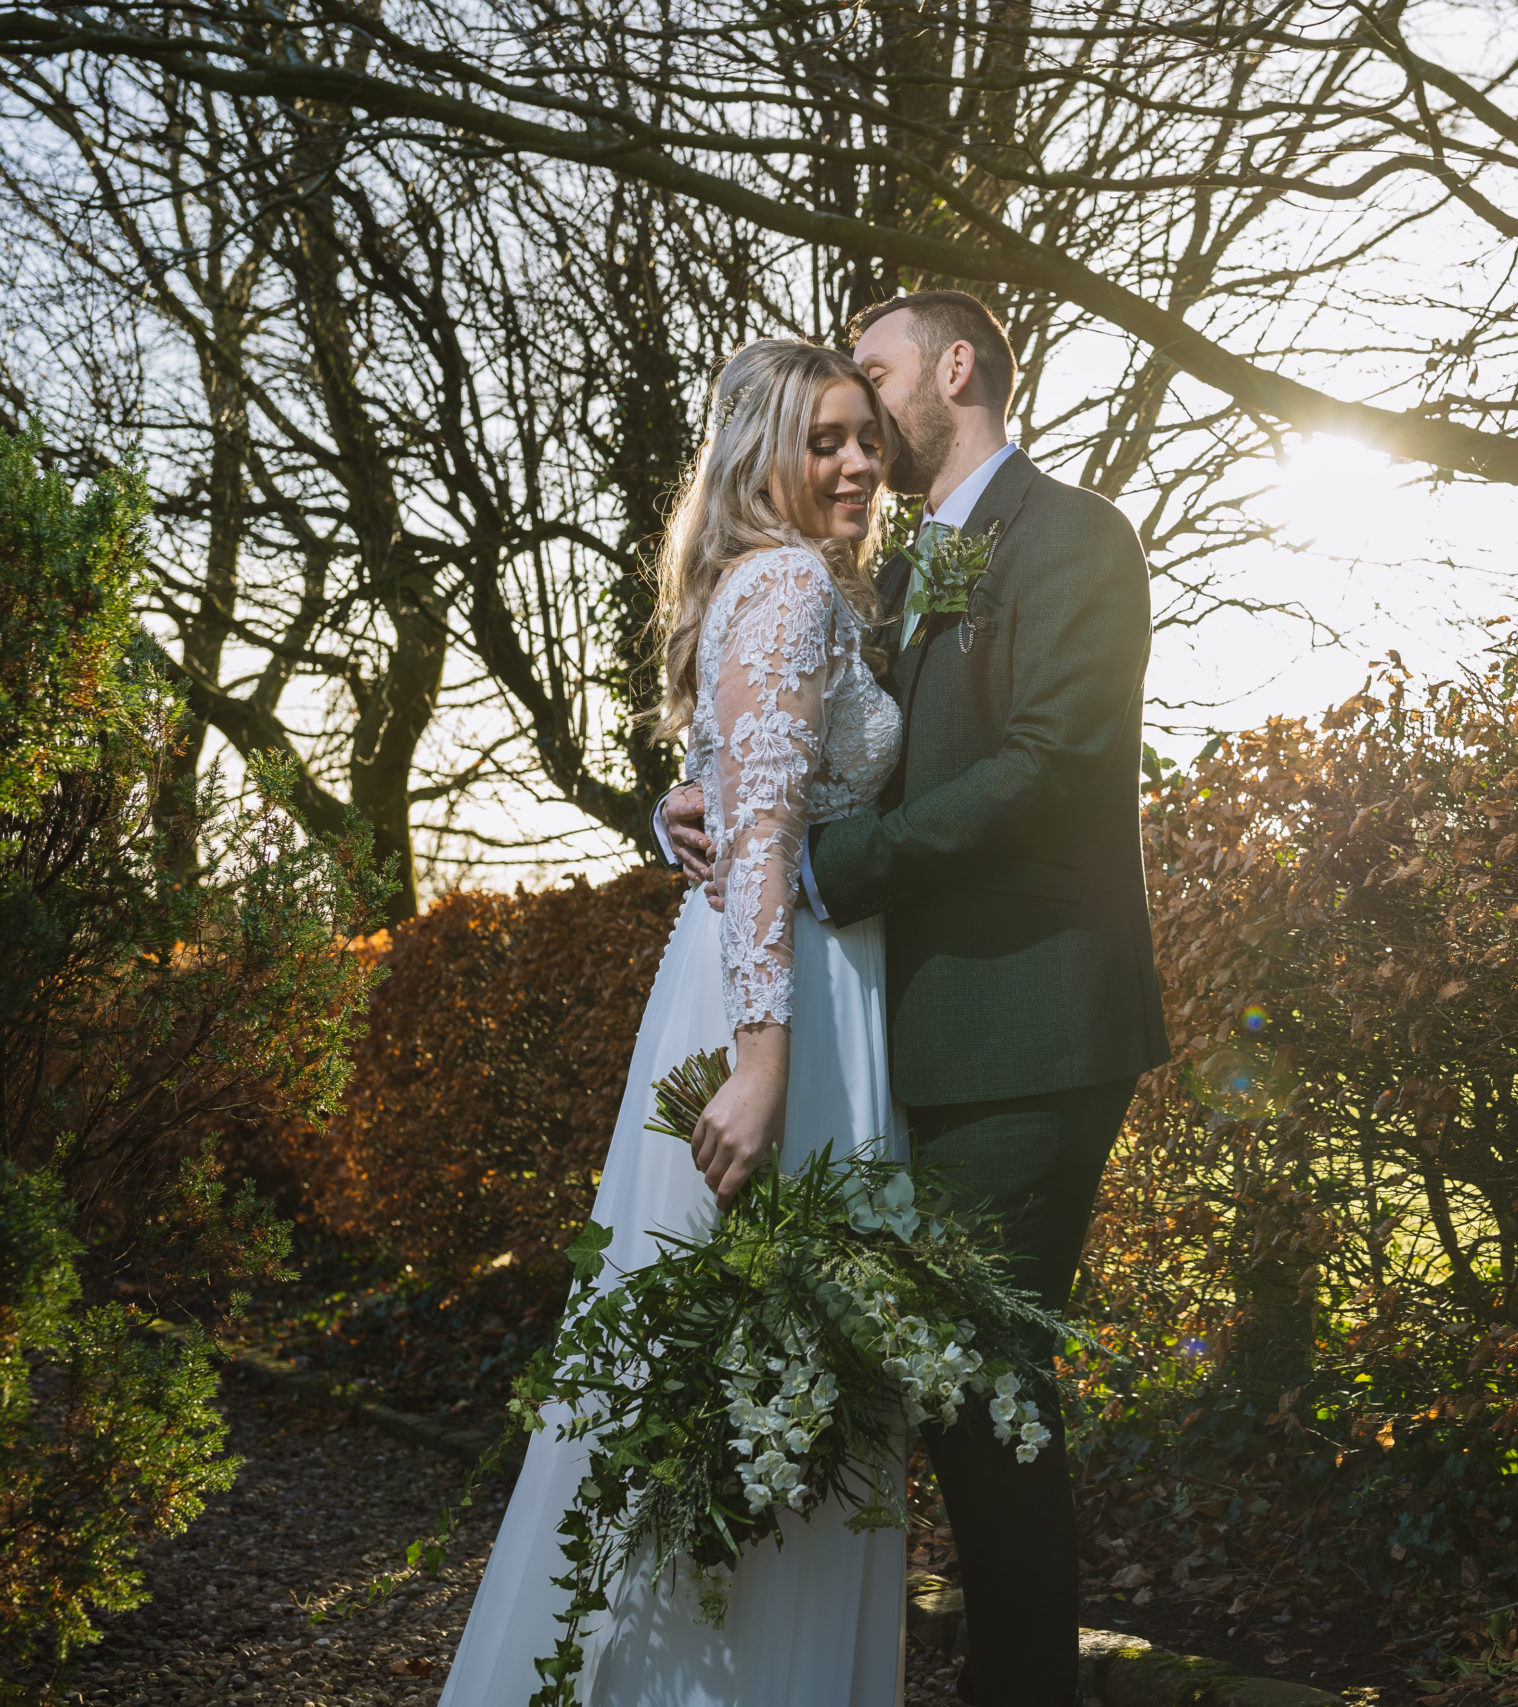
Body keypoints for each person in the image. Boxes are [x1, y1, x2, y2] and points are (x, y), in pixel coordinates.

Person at [658, 289, 1169, 1705]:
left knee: (977, 1390)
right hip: (906, 1040)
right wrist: (689, 807)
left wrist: (834, 864)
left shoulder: (1073, 537)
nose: (868, 419)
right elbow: (791, 740)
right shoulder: (886, 570)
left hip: (1028, 1033)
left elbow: (1051, 762)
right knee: (929, 1396)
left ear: (957, 368)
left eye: (877, 376)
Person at [442, 338, 911, 1706]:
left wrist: (674, 819)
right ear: (764, 452)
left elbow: (729, 798)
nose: (859, 465)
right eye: (826, 440)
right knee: (756, 1380)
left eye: (868, 439)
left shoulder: (773, 588)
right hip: (789, 1007)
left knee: (759, 1384)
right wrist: (765, 1065)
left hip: (776, 976)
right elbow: (759, 836)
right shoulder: (784, 586)